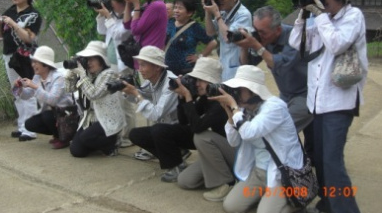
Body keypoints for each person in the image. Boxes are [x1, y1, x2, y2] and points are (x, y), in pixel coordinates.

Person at [289, 0, 367, 213]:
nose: (323, 3)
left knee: (333, 163)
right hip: (318, 102)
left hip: (339, 102)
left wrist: (320, 15)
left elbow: (336, 44)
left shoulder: (353, 16)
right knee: (321, 159)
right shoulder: (322, 20)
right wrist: (304, 14)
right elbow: (295, 42)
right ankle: (327, 204)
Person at [209, 65, 302, 213]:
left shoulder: (274, 107)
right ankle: (269, 199)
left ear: (253, 90)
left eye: (239, 90)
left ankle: (294, 202)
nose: (235, 94)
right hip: (258, 172)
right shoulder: (245, 109)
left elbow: (249, 132)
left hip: (282, 174)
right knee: (231, 206)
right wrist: (229, 112)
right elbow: (233, 142)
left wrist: (234, 106)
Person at [236, 6, 314, 163]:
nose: (258, 35)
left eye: (262, 32)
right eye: (256, 30)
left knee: (280, 127)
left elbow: (280, 64)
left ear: (277, 30)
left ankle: (287, 167)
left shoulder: (295, 36)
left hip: (307, 94)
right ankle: (298, 162)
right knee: (294, 133)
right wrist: (245, 47)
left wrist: (257, 46)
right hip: (285, 94)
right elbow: (246, 65)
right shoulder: (264, 38)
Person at [176, 58, 235, 201]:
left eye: (200, 80)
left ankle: (226, 182)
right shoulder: (207, 98)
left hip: (237, 153)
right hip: (221, 153)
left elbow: (196, 128)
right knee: (185, 181)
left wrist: (189, 97)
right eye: (196, 80)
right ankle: (223, 174)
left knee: (201, 136)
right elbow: (184, 121)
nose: (196, 84)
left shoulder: (221, 100)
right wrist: (182, 98)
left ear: (212, 81)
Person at [0, 0, 42, 141]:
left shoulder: (33, 14)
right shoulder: (10, 10)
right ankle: (22, 126)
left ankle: (30, 129)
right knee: (17, 91)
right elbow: (0, 36)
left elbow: (29, 38)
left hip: (24, 56)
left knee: (27, 89)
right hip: (8, 54)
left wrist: (14, 24)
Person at [67, 41, 127, 157]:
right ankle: (97, 144)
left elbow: (94, 94)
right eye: (86, 59)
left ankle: (111, 143)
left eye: (92, 59)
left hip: (107, 118)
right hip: (90, 118)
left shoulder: (109, 74)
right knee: (77, 151)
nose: (88, 63)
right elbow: (69, 89)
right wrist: (71, 73)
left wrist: (82, 76)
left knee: (85, 137)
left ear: (101, 60)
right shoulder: (87, 74)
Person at [94, 0, 136, 148]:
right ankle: (121, 133)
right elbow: (102, 31)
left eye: (112, 0)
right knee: (116, 99)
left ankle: (129, 136)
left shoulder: (131, 15)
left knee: (126, 100)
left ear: (120, 1)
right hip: (111, 64)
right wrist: (101, 15)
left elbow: (120, 34)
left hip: (124, 65)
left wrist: (109, 17)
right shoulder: (114, 16)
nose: (110, 4)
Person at [121, 46, 179, 160]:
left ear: (157, 67)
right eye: (139, 65)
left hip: (179, 130)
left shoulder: (171, 84)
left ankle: (175, 157)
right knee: (135, 135)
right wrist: (127, 91)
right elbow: (141, 96)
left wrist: (136, 93)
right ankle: (169, 153)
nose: (140, 69)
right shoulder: (152, 80)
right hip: (165, 128)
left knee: (157, 129)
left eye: (143, 65)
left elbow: (156, 114)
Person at [13, 46, 74, 149]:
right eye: (33, 62)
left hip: (66, 114)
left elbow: (52, 100)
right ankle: (58, 134)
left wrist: (34, 86)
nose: (33, 65)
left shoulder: (59, 77)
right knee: (29, 124)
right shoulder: (37, 77)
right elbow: (27, 95)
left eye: (36, 62)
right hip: (53, 113)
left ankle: (64, 138)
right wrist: (19, 88)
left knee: (47, 115)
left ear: (45, 64)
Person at [202, 0, 252, 80]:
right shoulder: (224, 13)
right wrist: (207, 11)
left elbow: (228, 37)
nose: (219, 1)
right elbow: (210, 32)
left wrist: (217, 14)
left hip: (237, 73)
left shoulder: (243, 15)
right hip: (224, 70)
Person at [165, 0, 217, 75]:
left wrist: (200, 57)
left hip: (186, 71)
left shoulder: (195, 27)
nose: (176, 11)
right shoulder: (169, 23)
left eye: (180, 8)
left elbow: (213, 42)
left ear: (189, 12)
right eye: (175, 7)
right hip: (167, 69)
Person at [123, 0, 167, 64]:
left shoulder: (157, 6)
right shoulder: (148, 5)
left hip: (150, 61)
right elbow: (127, 24)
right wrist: (128, 2)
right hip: (143, 59)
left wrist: (137, 5)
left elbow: (135, 30)